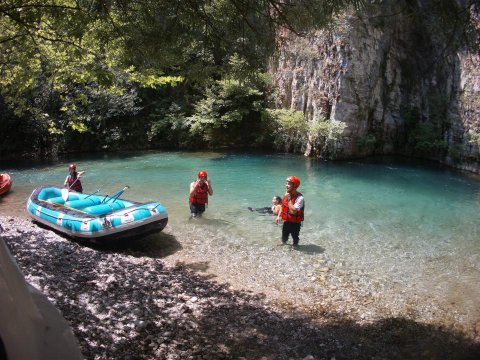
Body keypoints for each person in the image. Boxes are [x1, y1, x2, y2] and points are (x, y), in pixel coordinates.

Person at [275, 176, 304, 248]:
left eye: (289, 184)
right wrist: (278, 216)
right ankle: (284, 244)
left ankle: (295, 246)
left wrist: (289, 199)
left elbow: (293, 211)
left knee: (295, 236)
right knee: (284, 235)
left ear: (295, 186)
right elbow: (282, 206)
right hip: (287, 221)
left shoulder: (300, 198)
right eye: (286, 183)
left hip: (295, 223)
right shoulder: (287, 194)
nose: (286, 185)